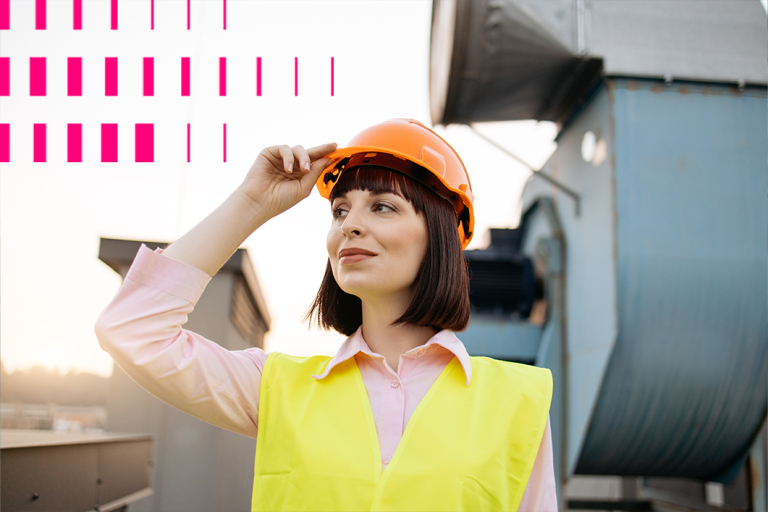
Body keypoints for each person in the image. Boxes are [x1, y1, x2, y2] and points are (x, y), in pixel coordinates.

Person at [95, 118, 556, 511]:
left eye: (382, 206)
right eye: (339, 211)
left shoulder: (518, 401)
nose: (349, 224)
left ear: (441, 234)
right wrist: (252, 204)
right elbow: (131, 329)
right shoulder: (276, 389)